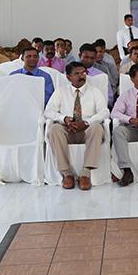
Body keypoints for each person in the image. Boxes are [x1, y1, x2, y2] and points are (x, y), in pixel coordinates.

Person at [44, 61, 108, 190]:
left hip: (87, 130)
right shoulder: (61, 91)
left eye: (83, 73)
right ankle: (67, 174)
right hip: (67, 129)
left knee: (97, 127)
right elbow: (48, 111)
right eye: (77, 73)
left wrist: (86, 122)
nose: (81, 76)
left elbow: (104, 112)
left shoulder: (94, 91)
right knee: (55, 129)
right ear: (68, 77)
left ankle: (85, 174)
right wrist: (64, 119)